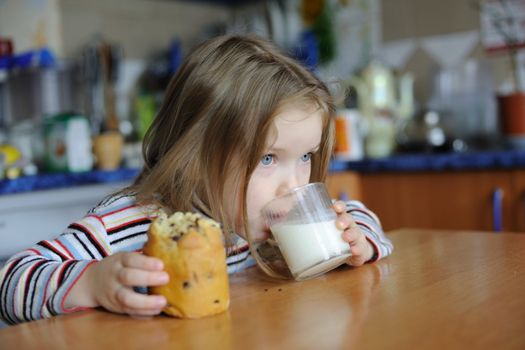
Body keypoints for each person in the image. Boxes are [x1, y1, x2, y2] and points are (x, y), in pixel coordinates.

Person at [0, 35, 393, 325]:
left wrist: (360, 239)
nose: (292, 186)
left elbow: (359, 215)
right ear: (196, 152)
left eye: (305, 157)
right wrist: (92, 282)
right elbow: (11, 280)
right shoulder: (132, 224)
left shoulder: (271, 227)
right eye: (268, 158)